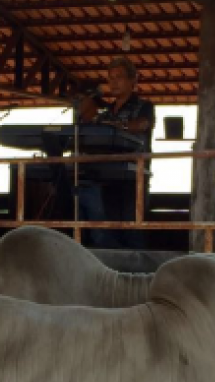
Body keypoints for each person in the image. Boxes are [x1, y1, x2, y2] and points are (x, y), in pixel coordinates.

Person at [76, 57, 155, 248]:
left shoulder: (144, 106)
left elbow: (140, 125)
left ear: (132, 81)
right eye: (110, 78)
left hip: (133, 178)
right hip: (108, 178)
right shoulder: (107, 112)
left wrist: (112, 127)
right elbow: (85, 121)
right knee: (109, 231)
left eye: (119, 77)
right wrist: (91, 100)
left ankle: (139, 275)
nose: (113, 82)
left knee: (132, 230)